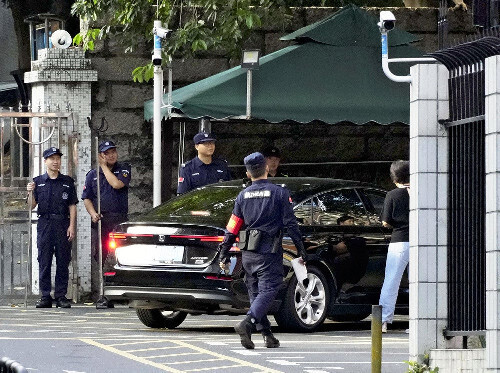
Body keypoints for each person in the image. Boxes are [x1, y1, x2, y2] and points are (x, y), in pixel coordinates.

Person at [218, 152, 307, 349]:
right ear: (266, 168)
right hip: (269, 251)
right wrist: (301, 250)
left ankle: (267, 335)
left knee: (256, 293)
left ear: (248, 174)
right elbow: (291, 224)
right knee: (269, 288)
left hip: (248, 251)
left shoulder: (242, 196)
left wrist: (224, 251)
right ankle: (247, 323)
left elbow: (233, 226)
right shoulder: (279, 192)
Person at [82, 140, 131, 309]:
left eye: (113, 152)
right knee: (101, 256)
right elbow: (86, 197)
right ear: (101, 155)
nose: (111, 155)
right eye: (107, 153)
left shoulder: (123, 169)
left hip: (118, 220)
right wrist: (93, 213)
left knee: (119, 256)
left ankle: (121, 292)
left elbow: (117, 184)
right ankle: (105, 293)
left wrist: (104, 167)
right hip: (101, 221)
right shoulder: (92, 175)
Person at [27, 147, 78, 308]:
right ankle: (45, 295)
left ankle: (61, 295)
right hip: (45, 224)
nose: (56, 162)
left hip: (62, 223)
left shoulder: (67, 182)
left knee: (63, 260)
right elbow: (31, 206)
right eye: (52, 159)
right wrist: (29, 192)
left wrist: (71, 226)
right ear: (45, 161)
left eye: (58, 158)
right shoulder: (38, 181)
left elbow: (72, 206)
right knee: (44, 260)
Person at [378, 160, 410, 333]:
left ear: (393, 177)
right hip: (420, 242)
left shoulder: (392, 195)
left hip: (399, 242)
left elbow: (385, 222)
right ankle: (418, 323)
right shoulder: (420, 192)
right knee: (418, 284)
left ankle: (383, 321)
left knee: (391, 281)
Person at [330, 215, 368, 287]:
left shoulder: (355, 236)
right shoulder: (337, 235)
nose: (352, 223)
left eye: (353, 221)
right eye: (349, 221)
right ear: (341, 223)